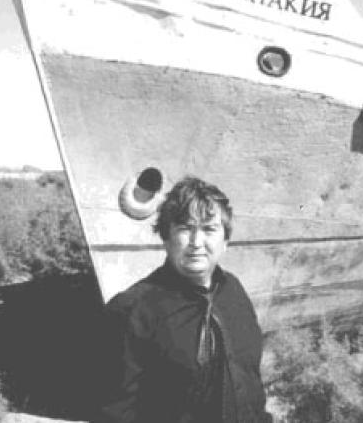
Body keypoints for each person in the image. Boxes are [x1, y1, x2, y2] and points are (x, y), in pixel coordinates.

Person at [95, 176, 271, 423]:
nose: (196, 243)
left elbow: (251, 384)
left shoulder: (234, 292)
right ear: (166, 237)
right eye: (185, 228)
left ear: (226, 241)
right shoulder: (132, 310)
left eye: (209, 229)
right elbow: (112, 414)